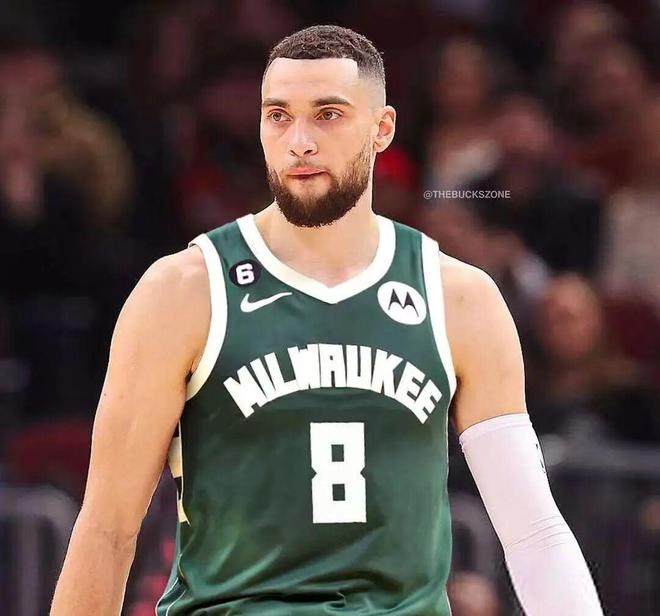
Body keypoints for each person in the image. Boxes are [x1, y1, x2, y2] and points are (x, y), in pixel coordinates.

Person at [50, 25, 603, 616]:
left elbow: (534, 533)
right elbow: (107, 529)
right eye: (278, 116)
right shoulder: (183, 291)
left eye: (328, 115)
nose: (299, 141)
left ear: (382, 129)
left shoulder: (460, 299)